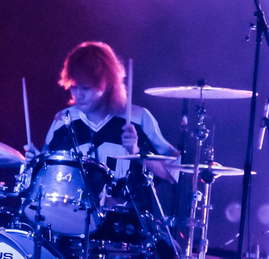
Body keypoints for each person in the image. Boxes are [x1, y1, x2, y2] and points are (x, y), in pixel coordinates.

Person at [25, 41, 178, 183]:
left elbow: (171, 175)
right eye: (73, 87)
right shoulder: (63, 120)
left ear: (108, 84)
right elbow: (48, 176)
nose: (78, 95)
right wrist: (37, 161)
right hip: (76, 211)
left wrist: (136, 152)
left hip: (126, 211)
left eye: (86, 88)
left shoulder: (139, 118)